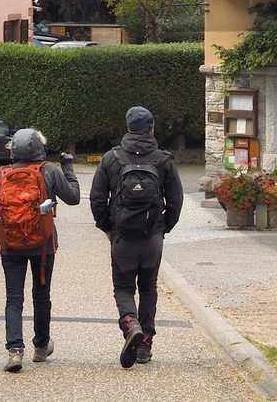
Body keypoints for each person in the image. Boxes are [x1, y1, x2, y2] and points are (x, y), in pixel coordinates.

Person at [89, 105, 183, 368]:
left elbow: (97, 198)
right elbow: (176, 200)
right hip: (152, 236)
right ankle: (145, 345)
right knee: (149, 287)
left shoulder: (112, 158)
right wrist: (164, 227)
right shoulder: (164, 160)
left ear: (128, 128)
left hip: (122, 236)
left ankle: (131, 324)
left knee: (123, 287)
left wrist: (107, 226)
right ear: (151, 128)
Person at [0, 128, 80, 372]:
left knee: (14, 298)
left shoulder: (2, 175)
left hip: (10, 245)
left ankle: (15, 351)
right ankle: (41, 347)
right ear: (39, 149)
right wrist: (68, 168)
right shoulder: (49, 171)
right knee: (41, 295)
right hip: (43, 245)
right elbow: (74, 197)